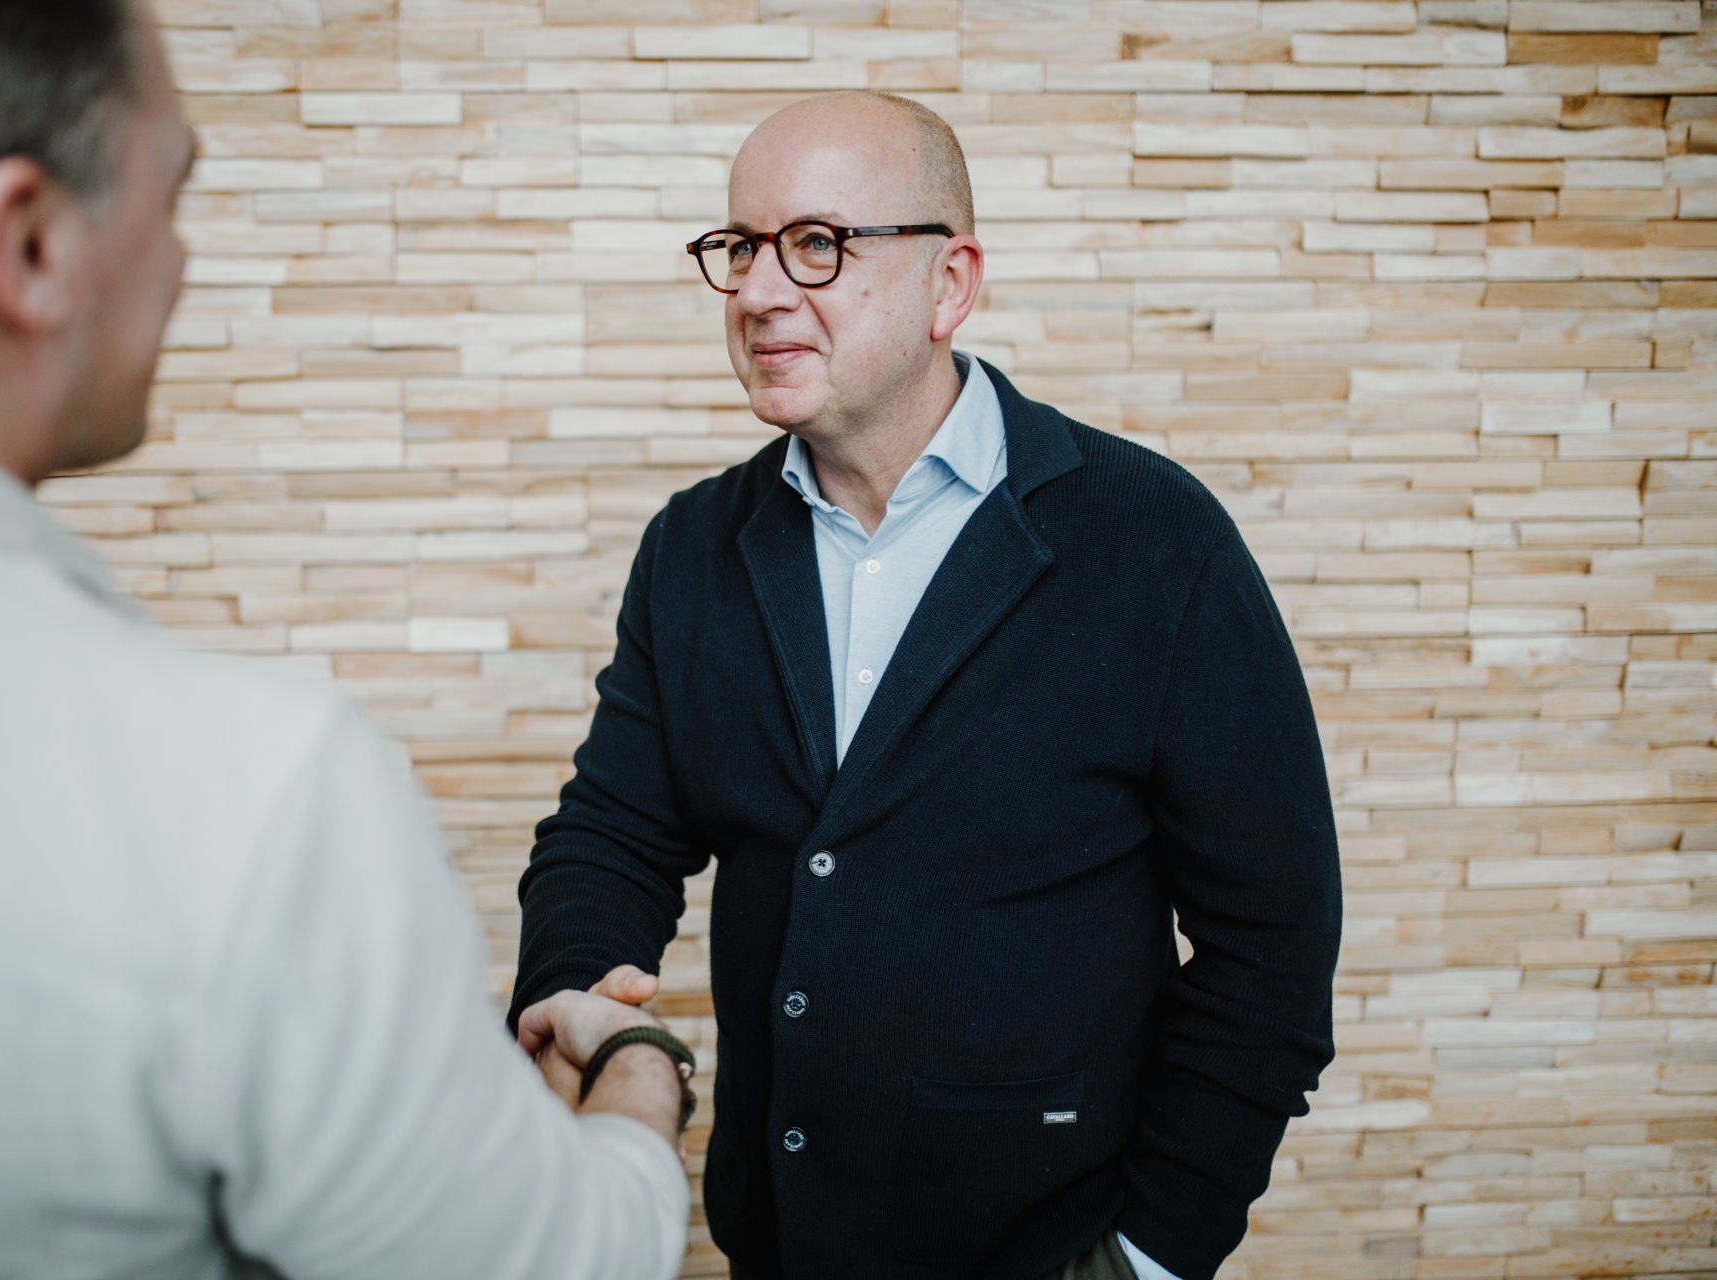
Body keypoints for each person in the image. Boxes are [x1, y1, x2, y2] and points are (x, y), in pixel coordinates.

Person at [0, 3, 692, 1277]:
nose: (178, 261)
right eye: (171, 198)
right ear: (29, 242)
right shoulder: (249, 792)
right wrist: (640, 1068)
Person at [510, 91, 1344, 1280]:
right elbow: (612, 832)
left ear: (950, 284)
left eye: (816, 244)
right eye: (741, 246)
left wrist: (1148, 1254)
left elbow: (1274, 942)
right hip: (778, 1246)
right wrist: (576, 1001)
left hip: (1058, 1251)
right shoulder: (693, 545)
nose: (757, 292)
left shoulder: (1156, 540)